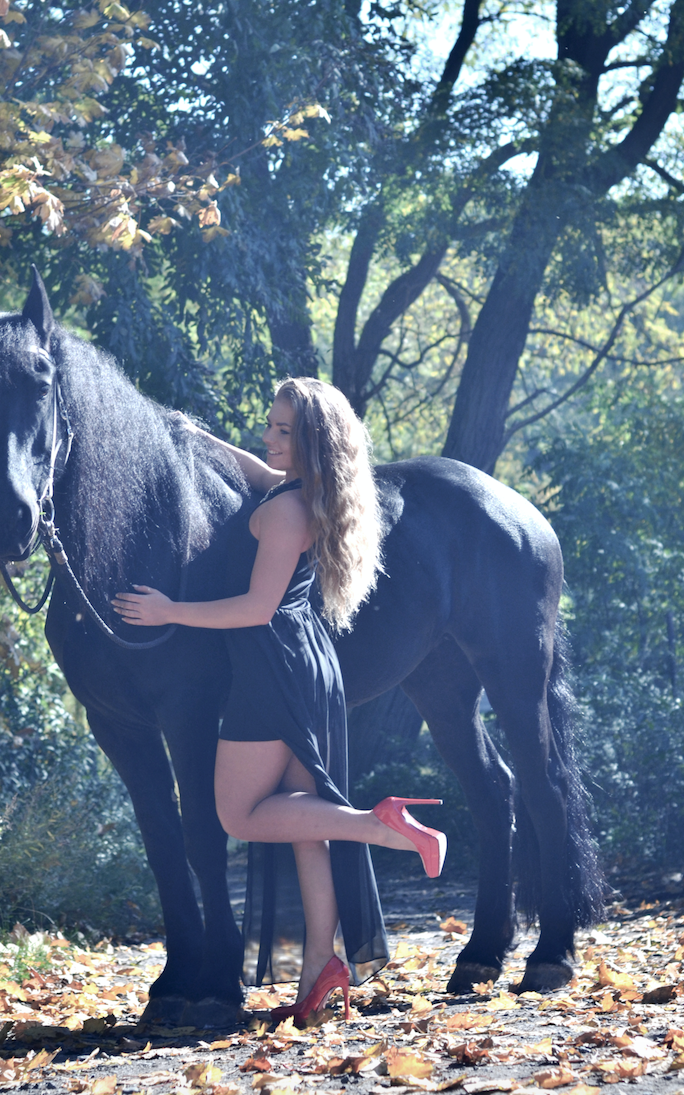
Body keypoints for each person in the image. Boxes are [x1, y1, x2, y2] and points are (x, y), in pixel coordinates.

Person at [112, 377, 446, 1024]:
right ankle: (321, 968)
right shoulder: (302, 491)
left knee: (239, 814)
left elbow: (256, 608)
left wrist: (168, 611)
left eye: (283, 430)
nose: (268, 436)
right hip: (306, 663)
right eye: (270, 424)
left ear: (312, 443)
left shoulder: (289, 511)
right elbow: (262, 473)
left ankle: (379, 825)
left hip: (273, 669)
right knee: (305, 825)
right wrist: (200, 438)